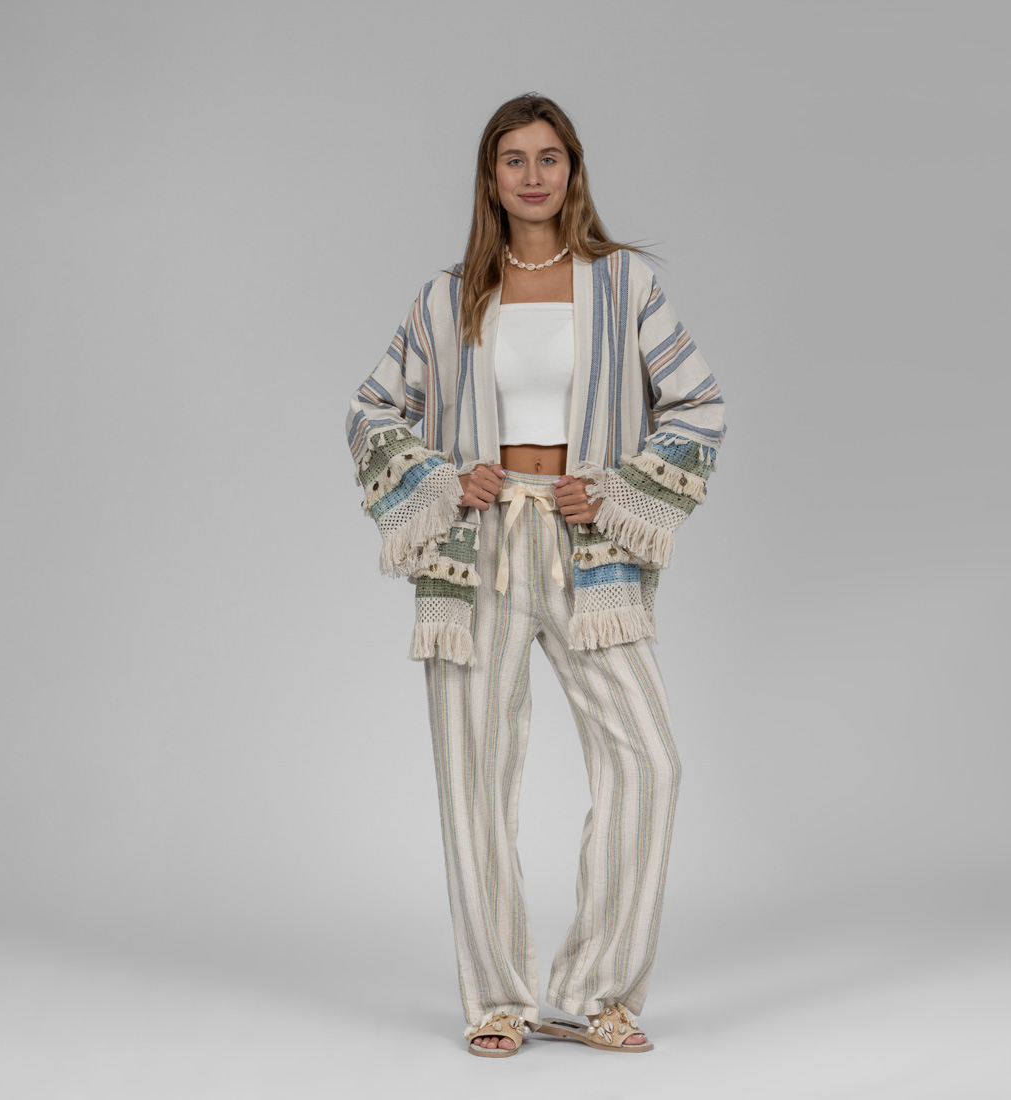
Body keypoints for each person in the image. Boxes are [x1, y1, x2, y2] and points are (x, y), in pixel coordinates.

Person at [345, 93, 726, 1057]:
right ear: (490, 176)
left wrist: (620, 489)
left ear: (572, 169)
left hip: (585, 543)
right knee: (474, 772)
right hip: (478, 544)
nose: (532, 175)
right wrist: (442, 477)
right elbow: (372, 409)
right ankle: (497, 1000)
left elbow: (698, 404)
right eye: (513, 158)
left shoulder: (624, 284)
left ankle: (599, 991)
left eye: (548, 157)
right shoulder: (450, 297)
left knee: (649, 759)